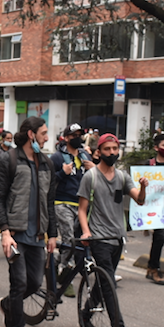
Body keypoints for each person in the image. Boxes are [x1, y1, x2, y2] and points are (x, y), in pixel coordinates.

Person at [0, 116, 57, 327]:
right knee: (19, 283)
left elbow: (49, 201)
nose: (47, 137)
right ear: (31, 134)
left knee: (34, 282)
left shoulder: (47, 164)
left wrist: (53, 234)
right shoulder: (9, 160)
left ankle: (9, 304)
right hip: (16, 234)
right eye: (43, 133)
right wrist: (5, 232)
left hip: (38, 236)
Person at [77, 133, 148, 327]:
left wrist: (144, 187)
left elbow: (140, 200)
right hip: (99, 238)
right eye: (107, 149)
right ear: (98, 152)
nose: (111, 153)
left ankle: (85, 315)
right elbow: (82, 209)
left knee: (103, 283)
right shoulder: (90, 177)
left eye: (115, 149)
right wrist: (86, 232)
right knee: (109, 285)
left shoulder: (123, 177)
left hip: (117, 237)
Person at [50, 123, 95, 294]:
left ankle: (58, 264)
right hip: (62, 203)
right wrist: (62, 173)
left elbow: (96, 179)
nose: (78, 138)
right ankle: (65, 275)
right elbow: (48, 181)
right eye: (74, 135)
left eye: (80, 134)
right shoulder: (57, 158)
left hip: (82, 204)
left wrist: (94, 169)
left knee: (80, 240)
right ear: (67, 138)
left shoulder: (85, 155)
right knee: (69, 239)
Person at [146, 133, 164, 285]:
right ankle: (153, 268)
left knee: (160, 237)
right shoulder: (149, 165)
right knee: (160, 237)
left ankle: (153, 268)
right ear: (156, 148)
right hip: (148, 208)